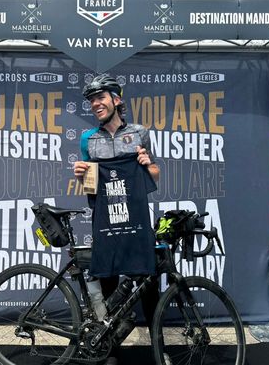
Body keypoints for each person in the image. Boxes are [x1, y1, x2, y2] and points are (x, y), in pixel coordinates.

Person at [73, 75, 168, 365]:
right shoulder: (88, 139)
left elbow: (155, 177)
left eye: (100, 97)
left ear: (116, 99)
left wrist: (146, 165)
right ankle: (111, 350)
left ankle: (157, 348)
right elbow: (91, 188)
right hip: (107, 223)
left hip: (137, 220)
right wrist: (82, 176)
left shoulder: (141, 133)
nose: (94, 104)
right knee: (110, 284)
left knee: (149, 285)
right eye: (91, 100)